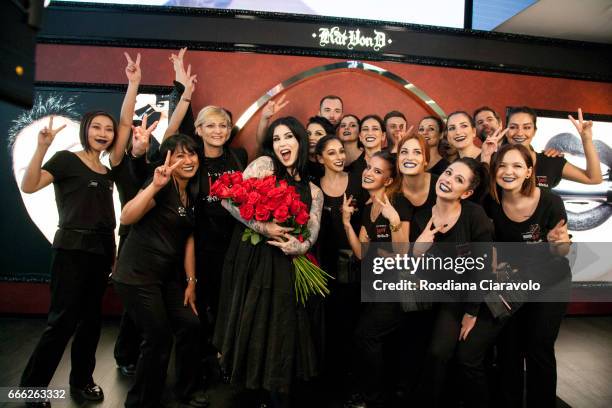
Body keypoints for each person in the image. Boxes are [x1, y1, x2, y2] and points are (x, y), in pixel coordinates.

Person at [19, 103, 129, 406]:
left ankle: (82, 382)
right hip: (71, 250)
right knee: (62, 323)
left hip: (102, 250)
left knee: (91, 322)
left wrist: (114, 254)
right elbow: (29, 186)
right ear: (86, 130)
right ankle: (33, 389)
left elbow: (106, 215)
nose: (103, 133)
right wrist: (42, 147)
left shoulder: (107, 171)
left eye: (109, 129)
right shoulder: (66, 160)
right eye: (97, 127)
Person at [213, 116, 324, 407]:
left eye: (288, 137)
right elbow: (228, 200)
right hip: (255, 261)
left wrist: (299, 246)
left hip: (288, 267)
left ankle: (277, 392)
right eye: (276, 139)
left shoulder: (315, 191)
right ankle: (256, 390)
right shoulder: (264, 166)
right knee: (255, 321)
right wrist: (264, 227)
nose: (282, 144)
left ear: (300, 141)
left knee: (282, 328)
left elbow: (312, 231)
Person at [113, 134, 208, 408]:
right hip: (136, 276)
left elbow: (188, 240)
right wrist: (154, 186)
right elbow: (127, 216)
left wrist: (191, 281)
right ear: (168, 160)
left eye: (191, 154)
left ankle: (185, 391)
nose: (188, 161)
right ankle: (141, 402)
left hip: (165, 279)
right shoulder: (162, 187)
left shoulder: (191, 194)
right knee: (158, 338)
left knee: (191, 324)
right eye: (180, 155)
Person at [483, 144, 572, 408]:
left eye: (517, 166)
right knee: (509, 349)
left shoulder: (550, 200)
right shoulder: (490, 201)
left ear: (529, 171)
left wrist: (559, 241)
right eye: (502, 165)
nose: (508, 171)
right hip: (513, 285)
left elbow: (562, 251)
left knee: (538, 348)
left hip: (550, 282)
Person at [411, 158, 501, 408]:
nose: (448, 180)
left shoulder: (475, 215)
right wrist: (417, 251)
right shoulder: (420, 218)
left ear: (467, 192)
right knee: (428, 352)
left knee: (448, 354)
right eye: (448, 173)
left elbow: (483, 269)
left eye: (458, 180)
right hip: (440, 296)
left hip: (473, 298)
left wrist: (471, 312)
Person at [342, 150, 411, 408]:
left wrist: (393, 222)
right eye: (369, 167)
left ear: (389, 180)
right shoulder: (368, 207)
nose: (369, 173)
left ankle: (373, 397)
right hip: (375, 287)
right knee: (366, 339)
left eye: (377, 171)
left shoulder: (398, 205)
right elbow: (361, 253)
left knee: (366, 336)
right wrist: (347, 222)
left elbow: (403, 255)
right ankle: (372, 393)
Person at [314, 135, 365, 390]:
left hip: (355, 267)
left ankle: (353, 383)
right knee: (329, 326)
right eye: (331, 153)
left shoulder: (358, 182)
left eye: (341, 152)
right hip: (323, 267)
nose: (339, 157)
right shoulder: (314, 187)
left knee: (352, 326)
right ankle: (331, 383)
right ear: (319, 158)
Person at [504, 106, 602, 189]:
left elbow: (594, 179)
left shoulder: (550, 160)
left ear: (534, 131)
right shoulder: (493, 161)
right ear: (506, 131)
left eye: (527, 127)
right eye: (513, 127)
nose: (520, 133)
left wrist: (587, 140)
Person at [348, 114, 386, 183]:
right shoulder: (351, 169)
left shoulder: (393, 164)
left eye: (375, 129)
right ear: (360, 137)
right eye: (365, 129)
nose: (370, 133)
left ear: (383, 136)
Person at [306, 115, 335, 184]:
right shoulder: (298, 163)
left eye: (318, 134)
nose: (311, 138)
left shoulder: (335, 164)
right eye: (308, 133)